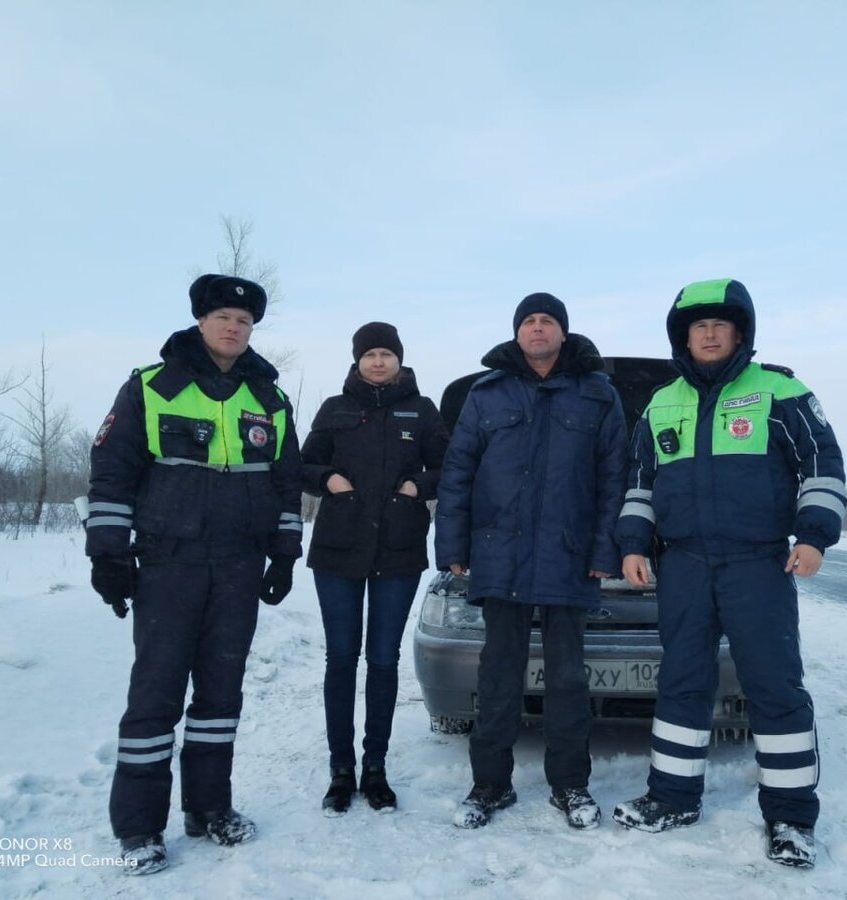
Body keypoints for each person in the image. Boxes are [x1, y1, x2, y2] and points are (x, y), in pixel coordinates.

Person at [611, 278, 846, 868]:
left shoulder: (780, 390)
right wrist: (634, 544)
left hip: (756, 563)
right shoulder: (661, 403)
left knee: (773, 688)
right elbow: (640, 484)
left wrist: (814, 535)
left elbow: (823, 463)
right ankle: (672, 799)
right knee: (682, 684)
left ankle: (791, 819)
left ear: (740, 331)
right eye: (698, 325)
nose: (709, 333)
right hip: (683, 563)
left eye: (720, 324)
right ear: (683, 337)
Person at [86, 274, 304, 875]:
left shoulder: (269, 397)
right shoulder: (153, 387)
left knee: (220, 696)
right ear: (201, 321)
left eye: (245, 321)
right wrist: (108, 553)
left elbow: (287, 483)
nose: (234, 328)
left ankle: (209, 810)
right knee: (155, 697)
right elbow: (112, 470)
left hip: (239, 565)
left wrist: (284, 553)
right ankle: (139, 827)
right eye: (224, 317)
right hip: (169, 563)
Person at [435, 292, 628, 830]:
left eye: (547, 321)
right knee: (497, 678)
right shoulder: (486, 393)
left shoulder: (597, 394)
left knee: (568, 680)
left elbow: (615, 477)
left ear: (563, 333)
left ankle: (571, 786)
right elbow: (458, 472)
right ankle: (489, 787)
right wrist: (452, 547)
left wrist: (603, 549)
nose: (537, 329)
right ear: (518, 333)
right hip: (500, 556)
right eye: (529, 322)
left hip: (568, 557)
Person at [300, 322, 449, 815]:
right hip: (338, 552)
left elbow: (448, 468)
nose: (379, 362)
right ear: (357, 360)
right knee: (341, 659)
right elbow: (302, 465)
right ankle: (341, 771)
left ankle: (376, 769)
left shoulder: (422, 410)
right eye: (371, 354)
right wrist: (329, 478)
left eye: (387, 354)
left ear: (400, 360)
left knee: (382, 661)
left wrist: (417, 487)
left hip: (399, 553)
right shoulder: (335, 408)